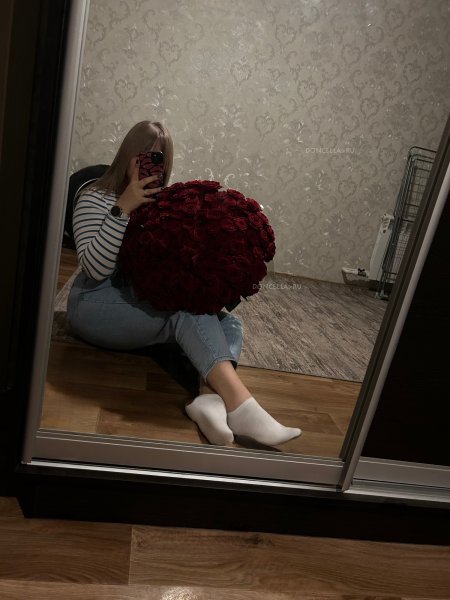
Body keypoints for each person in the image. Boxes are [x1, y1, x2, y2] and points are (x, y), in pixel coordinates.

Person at [67, 120, 301, 447]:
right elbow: (95, 269)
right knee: (185, 311)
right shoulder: (96, 195)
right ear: (127, 154)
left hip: (137, 299)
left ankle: (209, 398)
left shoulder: (161, 203)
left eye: (159, 158)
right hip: (93, 303)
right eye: (143, 155)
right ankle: (242, 406)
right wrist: (124, 207)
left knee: (229, 323)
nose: (150, 165)